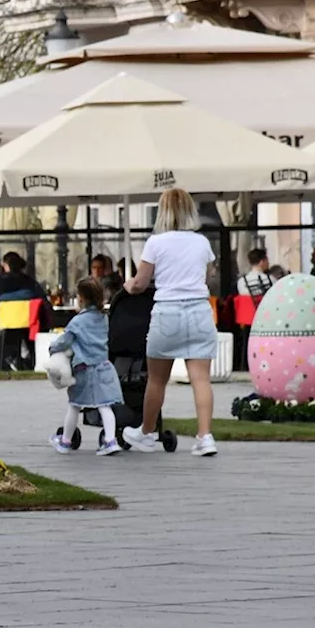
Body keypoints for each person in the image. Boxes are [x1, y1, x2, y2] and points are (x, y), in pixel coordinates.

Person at [122, 188, 218, 457]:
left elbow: (140, 283)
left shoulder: (156, 242)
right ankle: (205, 437)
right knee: (201, 380)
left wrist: (129, 285)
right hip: (199, 311)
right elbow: (209, 275)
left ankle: (146, 432)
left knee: (156, 380)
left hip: (168, 314)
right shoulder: (201, 242)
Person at [48, 277, 124, 456]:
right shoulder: (103, 318)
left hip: (85, 370)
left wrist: (52, 348)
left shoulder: (77, 322)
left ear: (81, 298)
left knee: (75, 405)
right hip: (104, 367)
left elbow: (65, 341)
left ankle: (65, 441)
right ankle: (110, 440)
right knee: (105, 405)